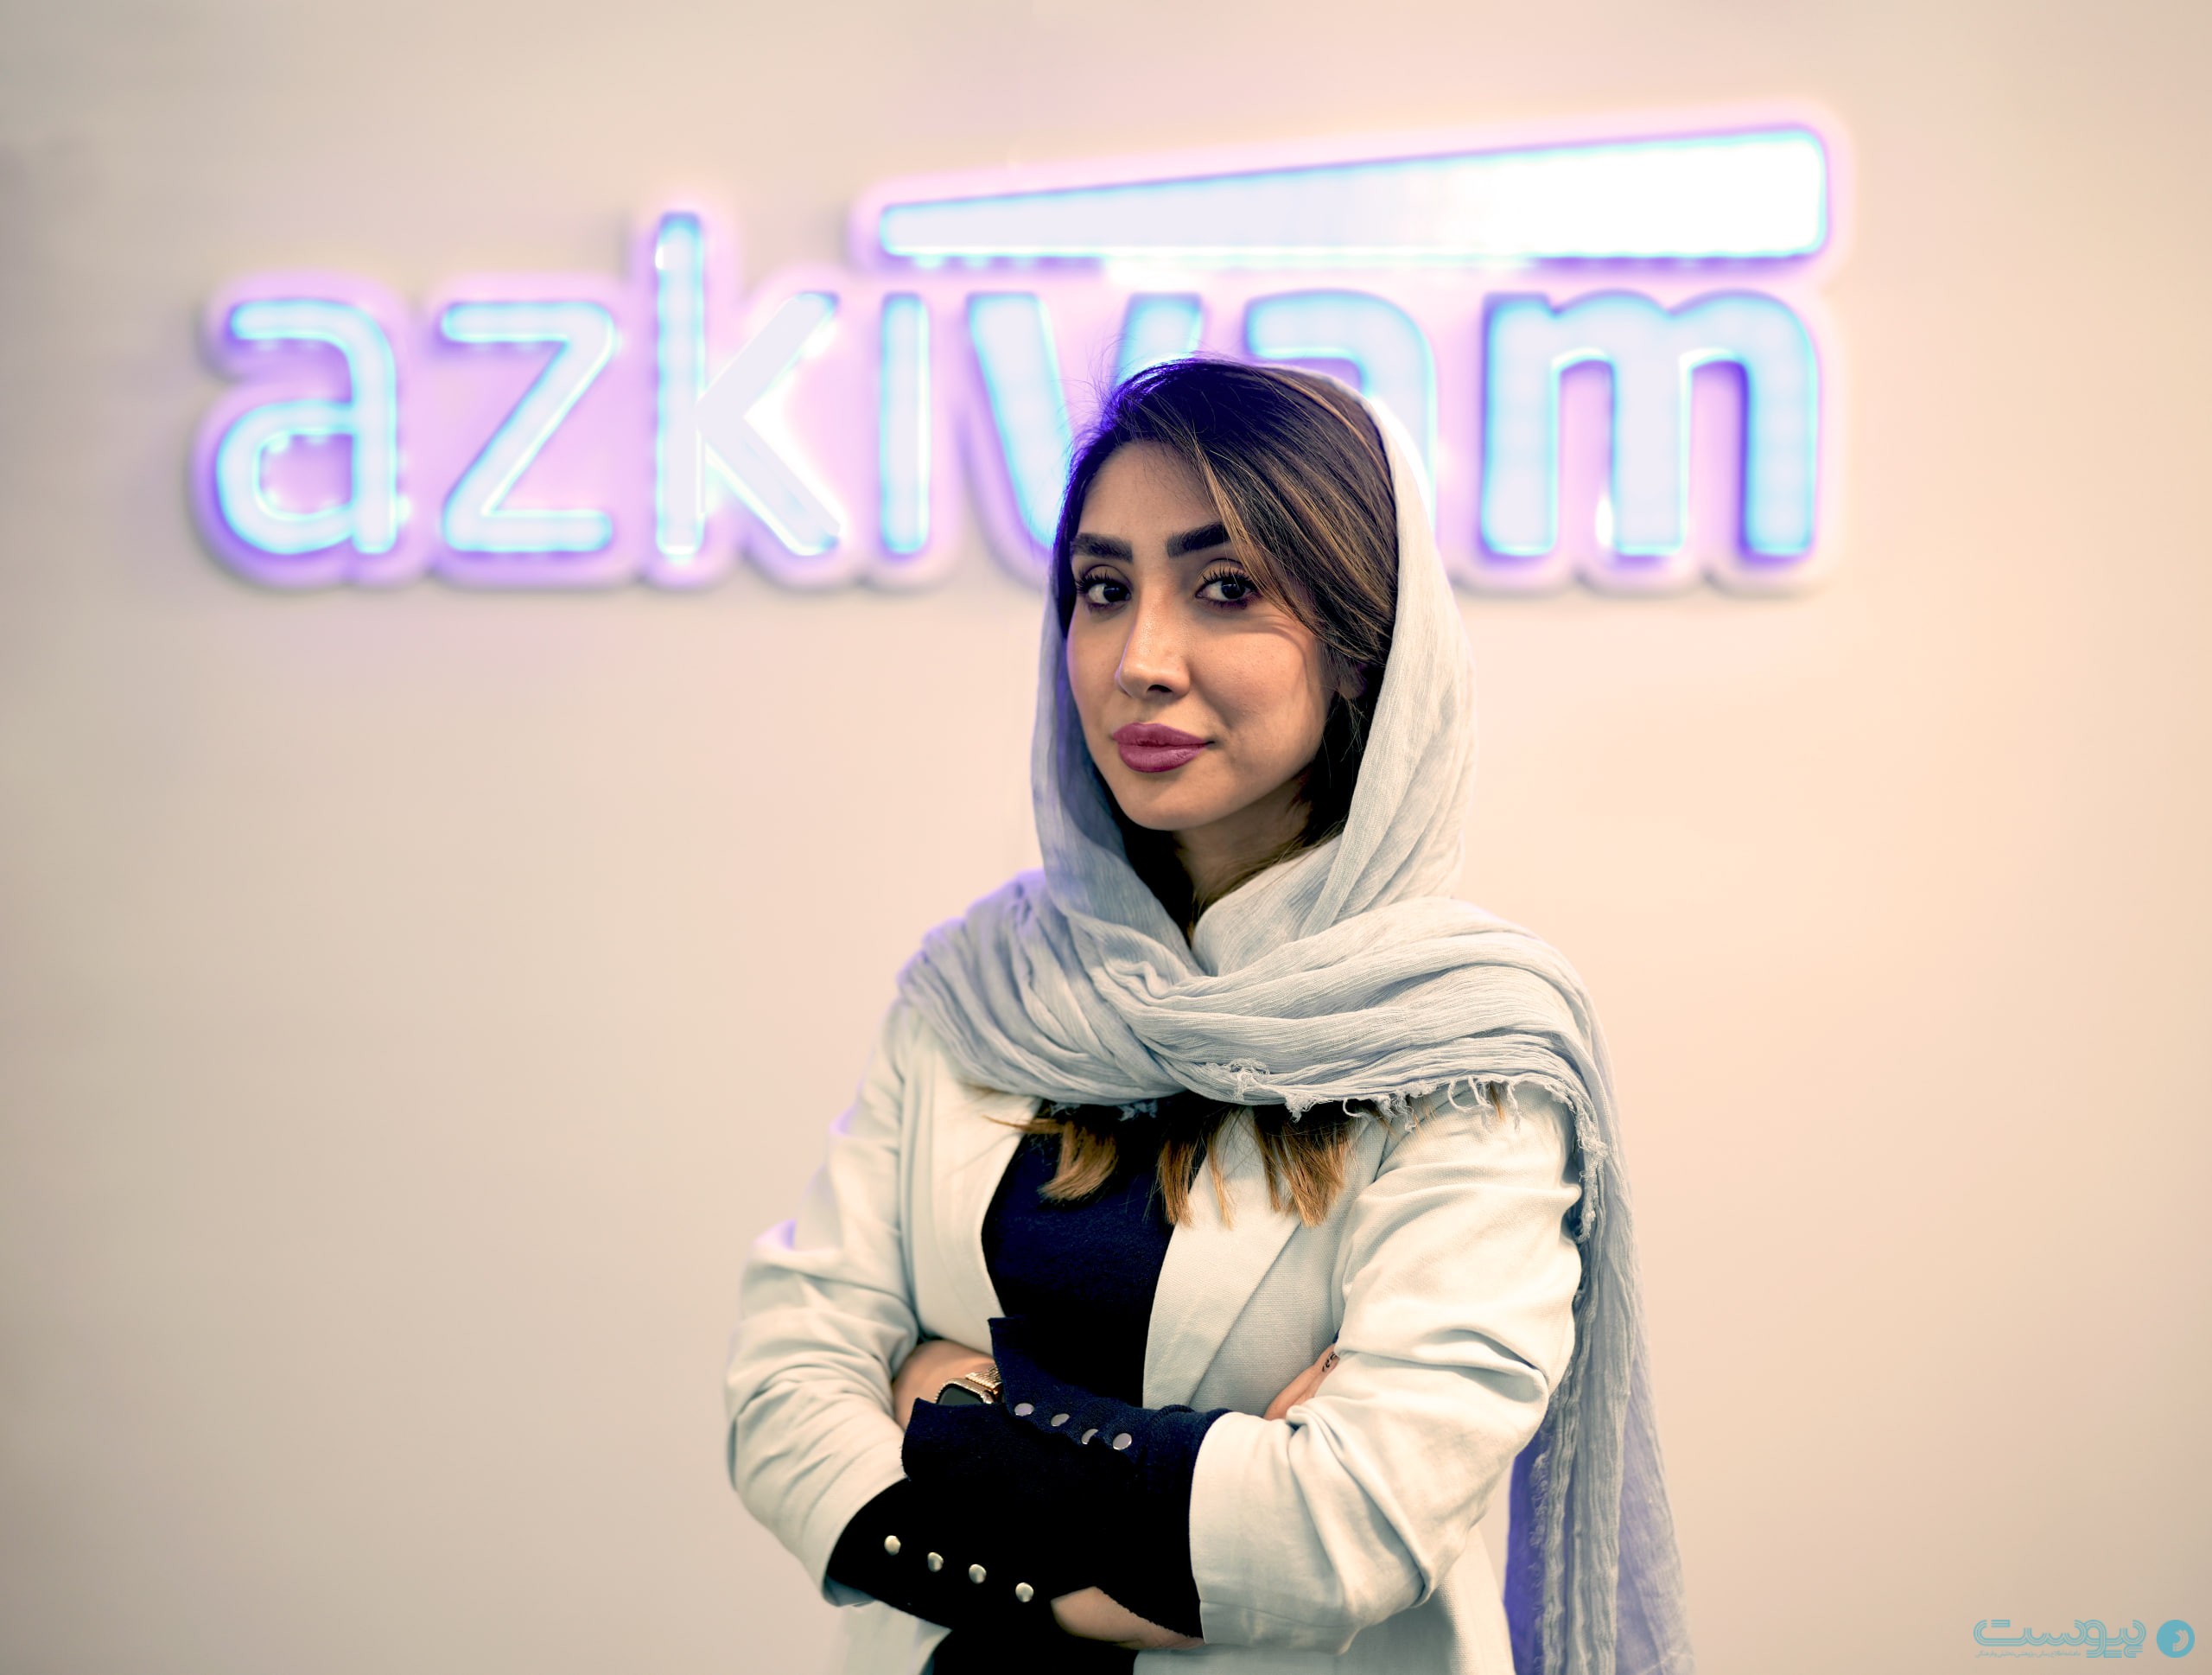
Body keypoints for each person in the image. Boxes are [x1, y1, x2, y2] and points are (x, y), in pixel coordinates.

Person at [724, 359, 1693, 1675]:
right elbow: (782, 1393)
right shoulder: (981, 987)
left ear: (1363, 644)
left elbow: (1349, 1526)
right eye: (1103, 588)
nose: (1140, 661)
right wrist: (1189, 1502)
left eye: (1226, 587)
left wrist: (968, 1414)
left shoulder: (1467, 1046)